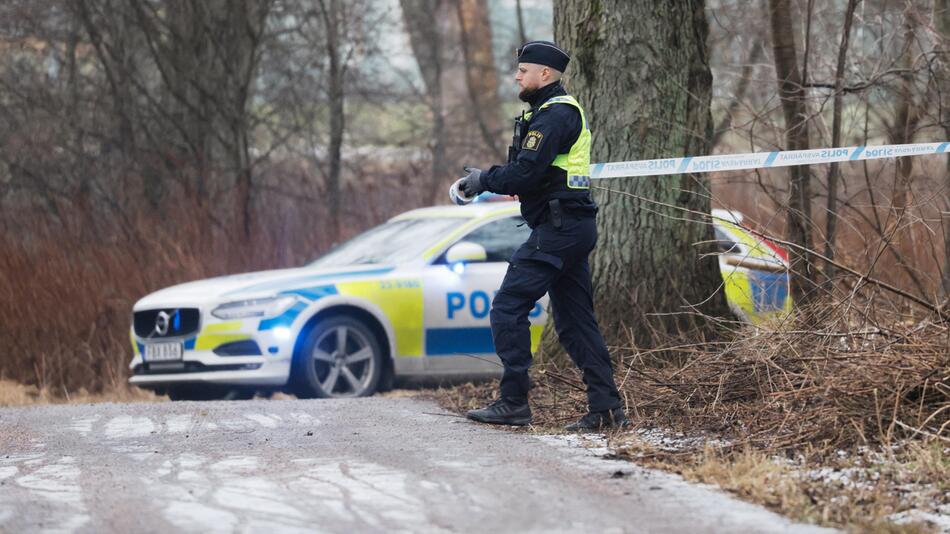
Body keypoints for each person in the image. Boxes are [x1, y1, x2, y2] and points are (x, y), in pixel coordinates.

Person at [458, 40, 629, 431]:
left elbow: (526, 174)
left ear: (545, 74)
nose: (517, 76)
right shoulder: (548, 113)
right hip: (567, 226)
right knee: (574, 323)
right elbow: (533, 172)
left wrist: (483, 180)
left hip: (560, 228)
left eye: (523, 70)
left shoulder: (555, 115)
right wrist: (487, 178)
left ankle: (514, 402)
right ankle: (606, 410)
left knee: (508, 306)